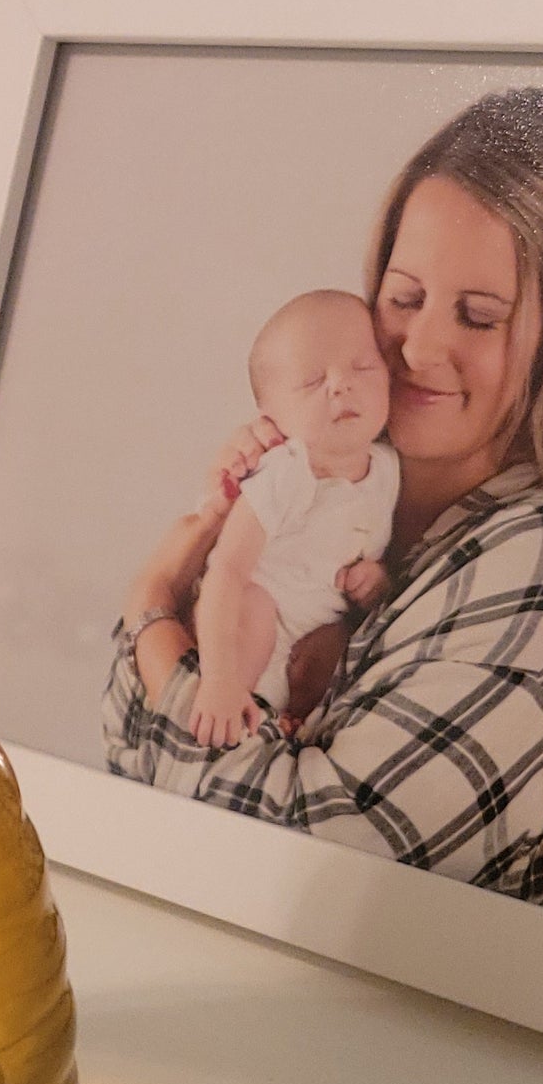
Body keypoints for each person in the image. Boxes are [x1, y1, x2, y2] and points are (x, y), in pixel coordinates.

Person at [105, 86, 543, 903]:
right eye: (404, 297)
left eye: (479, 316)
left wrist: (148, 619)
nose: (416, 347)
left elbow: (321, 863)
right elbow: (125, 777)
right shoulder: (346, 488)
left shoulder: (537, 557)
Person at [190, 289, 397, 748]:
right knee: (256, 609)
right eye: (311, 381)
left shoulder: (388, 470)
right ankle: (238, 711)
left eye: (362, 366)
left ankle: (283, 723)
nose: (341, 384)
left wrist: (376, 578)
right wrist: (220, 677)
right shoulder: (288, 471)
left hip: (312, 642)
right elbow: (226, 571)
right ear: (271, 418)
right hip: (248, 626)